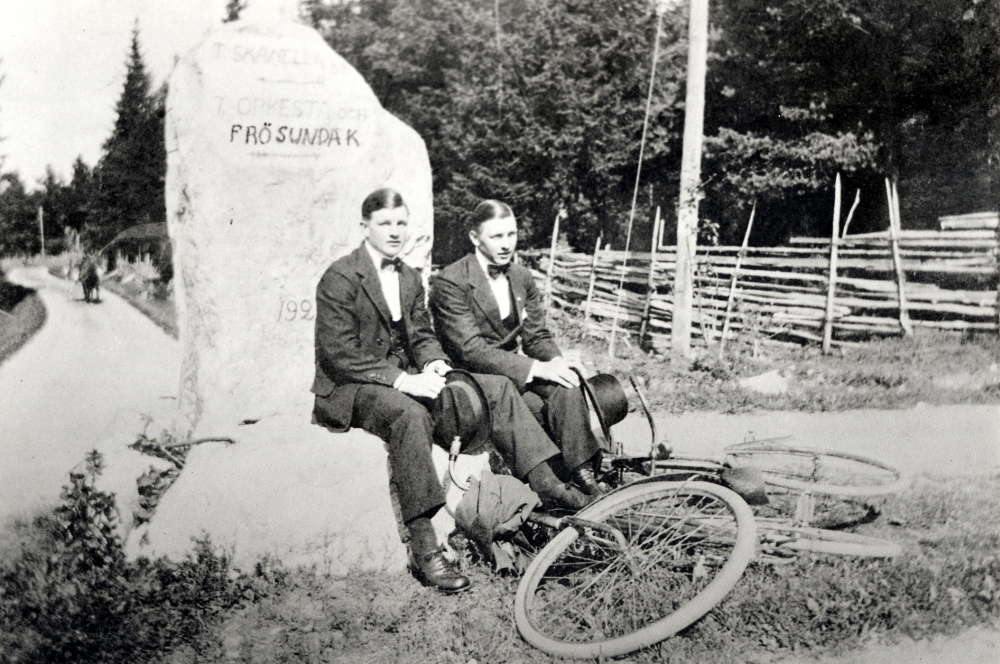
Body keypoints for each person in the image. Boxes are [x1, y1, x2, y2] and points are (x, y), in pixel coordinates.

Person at [311, 188, 593, 594]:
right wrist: (404, 381)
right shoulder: (340, 277)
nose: (395, 232)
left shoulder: (408, 276)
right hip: (350, 387)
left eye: (401, 223)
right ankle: (424, 546)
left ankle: (550, 485)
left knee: (492, 389)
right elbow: (338, 354)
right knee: (409, 415)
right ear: (365, 228)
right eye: (385, 224)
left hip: (401, 376)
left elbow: (422, 335)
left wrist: (433, 363)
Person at [430, 200, 606, 497]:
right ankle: (549, 487)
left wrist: (557, 361)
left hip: (512, 373)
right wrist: (537, 368)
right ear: (475, 238)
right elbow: (471, 350)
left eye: (511, 235)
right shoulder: (451, 281)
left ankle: (584, 472)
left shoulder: (521, 277)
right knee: (512, 390)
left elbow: (536, 336)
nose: (506, 244)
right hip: (470, 380)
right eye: (496, 236)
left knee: (565, 383)